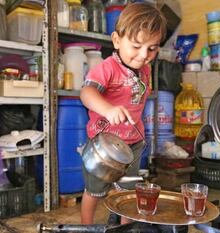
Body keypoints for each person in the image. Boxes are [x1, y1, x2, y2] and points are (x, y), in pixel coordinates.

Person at [79, 3, 167, 225]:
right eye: (136, 46)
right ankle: (85, 227)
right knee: (94, 191)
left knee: (129, 193)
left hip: (132, 145)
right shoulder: (107, 68)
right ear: (117, 40)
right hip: (104, 147)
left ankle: (126, 229)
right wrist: (108, 110)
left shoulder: (145, 69)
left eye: (152, 48)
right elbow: (86, 93)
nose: (143, 56)